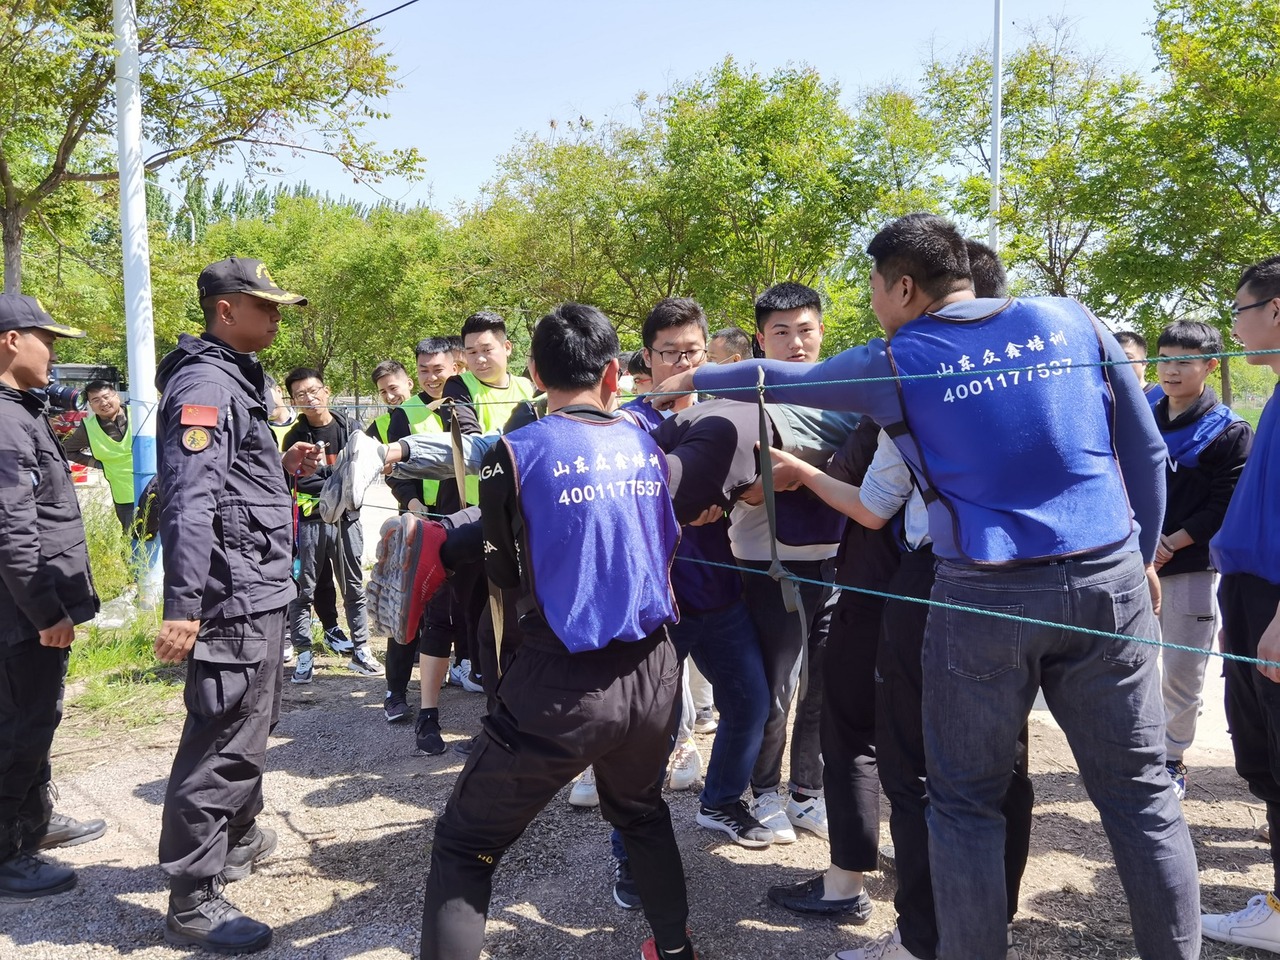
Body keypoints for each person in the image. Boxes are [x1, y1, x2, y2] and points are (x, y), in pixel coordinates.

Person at [659, 213, 1201, 960]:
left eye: (874, 288)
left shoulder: (900, 358)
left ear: (905, 287)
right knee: (1142, 799)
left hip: (982, 595)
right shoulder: (1071, 318)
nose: (873, 302)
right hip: (1108, 578)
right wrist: (1141, 557)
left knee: (963, 804)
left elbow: (785, 379)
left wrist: (693, 378)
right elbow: (1143, 449)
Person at [769, 240, 1034, 959]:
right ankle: (982, 923)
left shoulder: (908, 381)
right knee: (997, 766)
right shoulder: (1030, 380)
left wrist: (801, 471)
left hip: (902, 592)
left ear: (917, 295)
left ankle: (911, 927)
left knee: (907, 766)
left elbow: (872, 501)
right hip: (1009, 589)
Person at [420, 302, 695, 960]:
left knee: (465, 843)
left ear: (536, 374)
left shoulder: (509, 453)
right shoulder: (647, 444)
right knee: (641, 812)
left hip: (560, 682)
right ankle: (676, 951)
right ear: (612, 373)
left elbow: (499, 569)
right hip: (655, 673)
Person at [154, 257, 324, 953]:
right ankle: (192, 896)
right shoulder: (204, 386)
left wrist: (279, 471)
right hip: (232, 597)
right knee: (223, 738)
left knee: (254, 720)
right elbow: (189, 502)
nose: (277, 317)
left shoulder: (233, 378)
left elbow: (228, 484)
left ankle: (238, 837)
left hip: (259, 585)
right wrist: (183, 606)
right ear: (226, 310)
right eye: (267, 305)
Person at [0, 294, 103, 900]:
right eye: (49, 341)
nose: (55, 355)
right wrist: (45, 612)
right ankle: (7, 850)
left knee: (38, 716)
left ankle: (32, 820)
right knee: (18, 725)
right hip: (20, 615)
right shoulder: (4, 419)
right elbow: (12, 531)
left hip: (31, 611)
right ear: (12, 340)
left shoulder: (21, 409)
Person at [1201, 255, 1280, 953]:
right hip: (1252, 596)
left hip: (1276, 603)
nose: (1236, 325)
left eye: (1240, 310)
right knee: (1263, 756)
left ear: (1275, 309)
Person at [1150, 320, 1251, 801]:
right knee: (1129, 663)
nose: (1171, 371)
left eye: (1184, 361)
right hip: (1134, 562)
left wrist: (1169, 543)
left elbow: (1223, 504)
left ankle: (1172, 758)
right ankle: (1137, 751)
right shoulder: (1141, 414)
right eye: (1165, 359)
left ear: (1211, 366)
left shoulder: (1229, 430)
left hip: (1188, 566)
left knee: (1182, 670)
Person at [282, 367, 383, 682]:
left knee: (353, 586)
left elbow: (363, 472)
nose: (309, 398)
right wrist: (335, 480)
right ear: (294, 402)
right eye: (301, 394)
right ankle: (304, 655)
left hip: (347, 520)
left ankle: (362, 650)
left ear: (326, 391)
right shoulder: (294, 437)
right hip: (309, 523)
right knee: (302, 590)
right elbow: (298, 481)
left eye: (313, 390)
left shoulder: (351, 428)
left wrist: (333, 483)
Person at [60, 380, 136, 533]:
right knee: (132, 538)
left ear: (117, 396)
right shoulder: (88, 427)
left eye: (106, 397)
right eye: (96, 400)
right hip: (124, 496)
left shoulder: (139, 414)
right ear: (90, 405)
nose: (103, 403)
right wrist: (96, 463)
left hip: (157, 487)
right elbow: (67, 450)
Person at [1116, 330, 1164, 403]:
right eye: (1113, 359)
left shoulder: (1165, 396)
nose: (1119, 364)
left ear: (1144, 363)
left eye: (1127, 357)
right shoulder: (1105, 397)